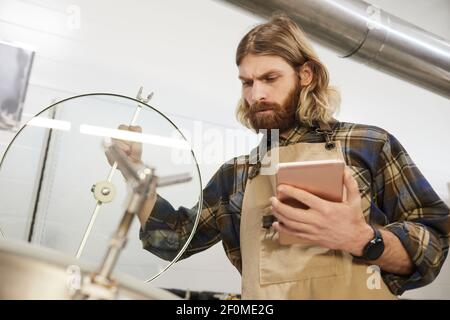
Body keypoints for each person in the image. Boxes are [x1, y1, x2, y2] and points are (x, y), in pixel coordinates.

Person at [109, 14, 449, 299]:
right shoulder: (237, 174)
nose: (257, 95)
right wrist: (134, 170)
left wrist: (364, 239)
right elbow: (171, 240)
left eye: (270, 78)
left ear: (305, 75)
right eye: (247, 82)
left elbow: (433, 246)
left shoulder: (368, 144)